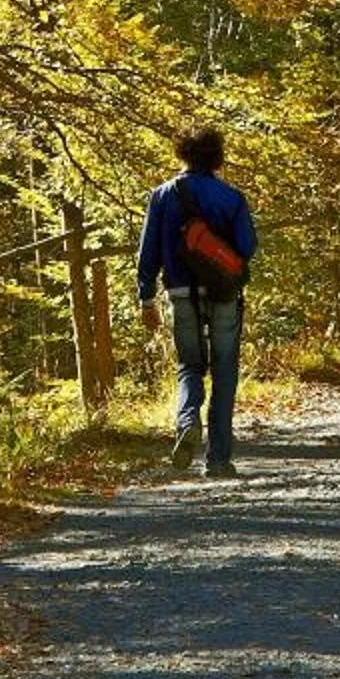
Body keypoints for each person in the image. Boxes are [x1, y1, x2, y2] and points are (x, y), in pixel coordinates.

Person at [137, 125, 257, 478]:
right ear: (217, 157)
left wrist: (147, 298)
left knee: (190, 366)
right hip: (223, 294)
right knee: (224, 372)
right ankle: (218, 460)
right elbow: (247, 247)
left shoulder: (162, 195)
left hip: (180, 293)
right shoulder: (231, 197)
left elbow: (148, 252)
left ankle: (187, 422)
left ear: (183, 154)